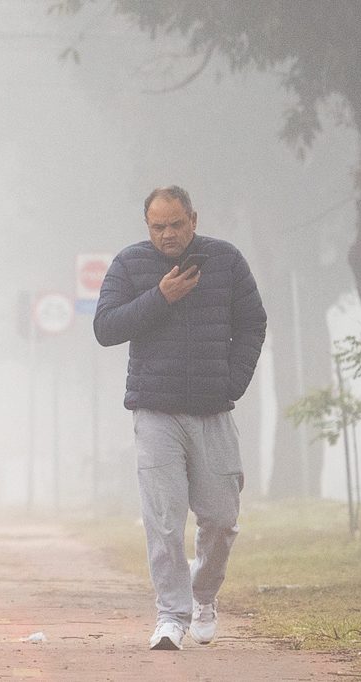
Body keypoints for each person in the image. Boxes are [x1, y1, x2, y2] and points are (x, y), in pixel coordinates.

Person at [93, 186, 267, 650]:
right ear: (146, 225)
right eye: (157, 226)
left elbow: (253, 321)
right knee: (165, 521)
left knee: (221, 518)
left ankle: (203, 595)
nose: (167, 234)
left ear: (193, 218)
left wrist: (233, 382)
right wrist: (160, 296)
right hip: (155, 411)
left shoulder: (225, 260)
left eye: (175, 224)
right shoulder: (130, 264)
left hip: (212, 410)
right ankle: (170, 616)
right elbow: (105, 327)